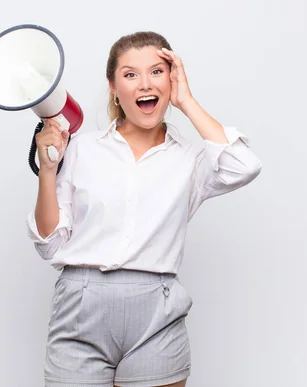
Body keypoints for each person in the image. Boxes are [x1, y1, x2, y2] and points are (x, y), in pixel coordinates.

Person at [26, 31, 262, 387]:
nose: (144, 84)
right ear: (113, 88)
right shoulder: (81, 149)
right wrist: (47, 169)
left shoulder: (191, 158)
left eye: (157, 71)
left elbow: (245, 165)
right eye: (130, 74)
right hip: (80, 307)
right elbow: (49, 245)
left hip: (157, 311)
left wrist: (188, 102)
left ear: (172, 80)